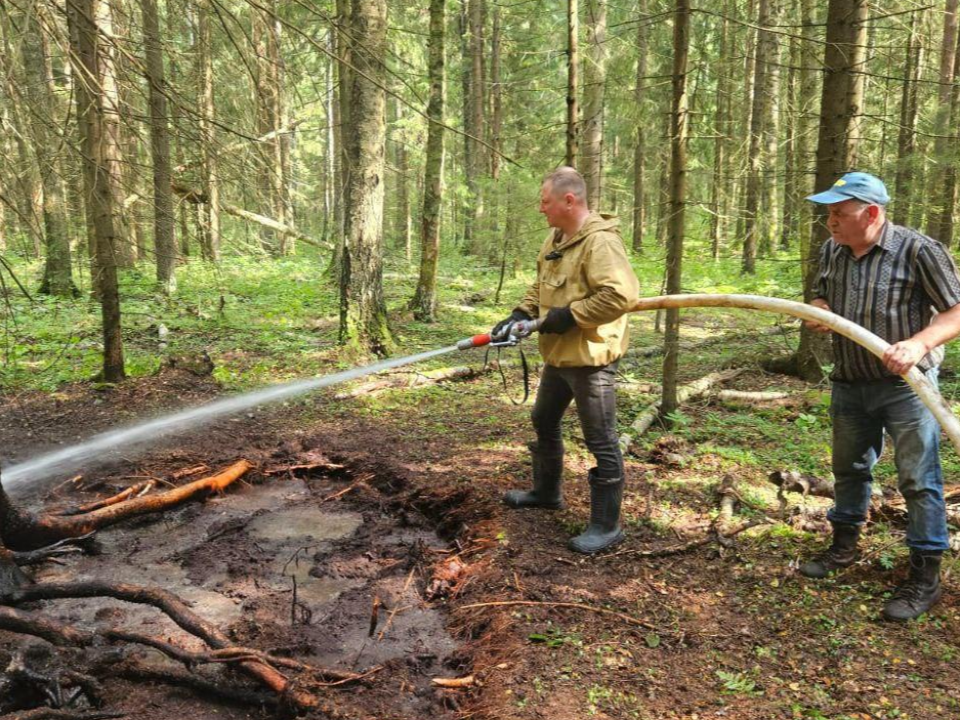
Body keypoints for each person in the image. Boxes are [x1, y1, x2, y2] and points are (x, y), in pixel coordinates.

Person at [802, 171, 960, 621]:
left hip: (906, 389)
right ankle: (844, 547)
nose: (830, 222)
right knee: (849, 468)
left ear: (871, 214)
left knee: (917, 478)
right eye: (828, 213)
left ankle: (924, 577)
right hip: (850, 382)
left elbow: (955, 311)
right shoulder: (832, 249)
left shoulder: (919, 250)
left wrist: (919, 344)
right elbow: (820, 298)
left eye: (839, 213)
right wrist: (820, 312)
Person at [492, 167, 640, 554]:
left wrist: (568, 316)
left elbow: (619, 296)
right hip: (559, 356)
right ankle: (546, 492)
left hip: (590, 358)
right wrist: (521, 314)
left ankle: (607, 526)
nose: (541, 209)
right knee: (543, 419)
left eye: (545, 202)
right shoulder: (556, 237)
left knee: (601, 439)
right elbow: (541, 283)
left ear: (568, 201)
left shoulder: (601, 243)